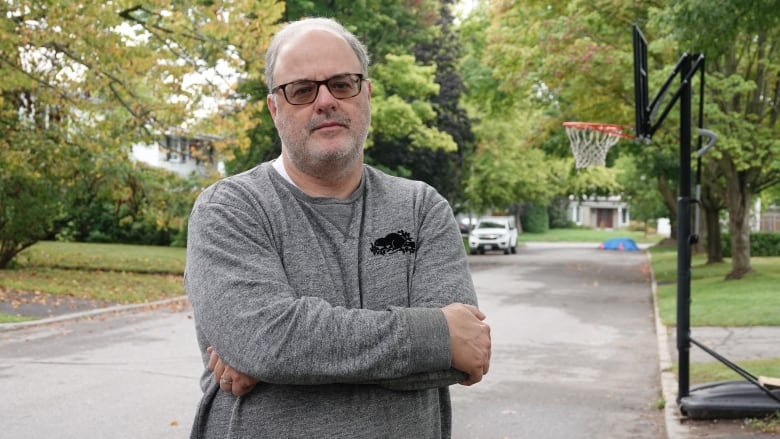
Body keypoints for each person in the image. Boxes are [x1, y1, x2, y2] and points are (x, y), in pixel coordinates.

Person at [184, 17, 491, 438]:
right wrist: (436, 335)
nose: (325, 100)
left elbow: (464, 353)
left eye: (342, 83)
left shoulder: (422, 208)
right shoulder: (231, 208)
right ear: (275, 107)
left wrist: (281, 360)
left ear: (366, 93)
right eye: (302, 89)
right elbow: (266, 341)